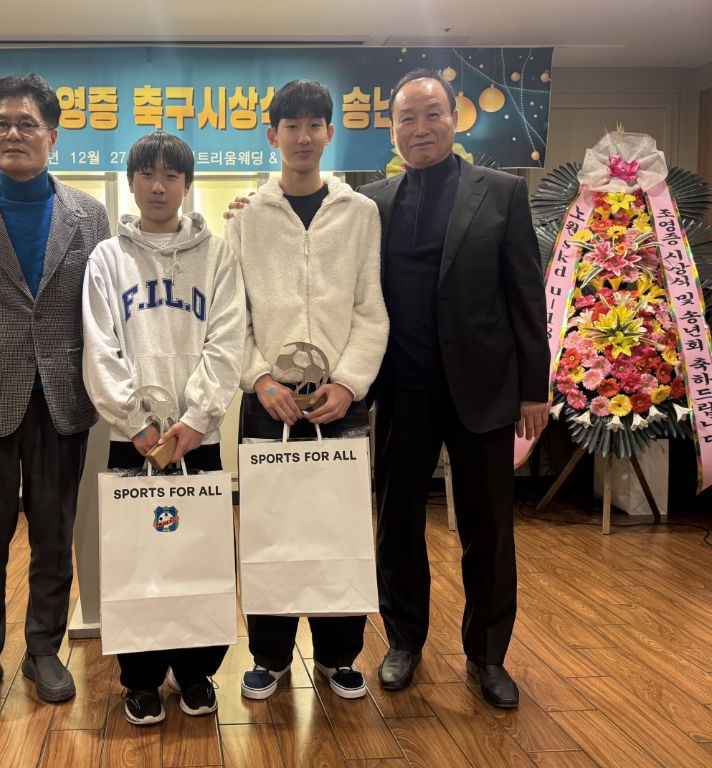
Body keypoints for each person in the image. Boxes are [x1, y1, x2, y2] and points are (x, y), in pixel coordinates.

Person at [356, 69, 548, 709]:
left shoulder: (501, 193)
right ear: (392, 130)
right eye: (406, 118)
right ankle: (403, 641)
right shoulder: (371, 202)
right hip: (402, 389)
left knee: (489, 529)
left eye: (432, 114)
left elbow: (526, 296)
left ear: (454, 119)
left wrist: (534, 388)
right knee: (398, 525)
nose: (420, 128)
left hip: (484, 390)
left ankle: (488, 655)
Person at [0, 73, 111, 716]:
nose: (13, 133)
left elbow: (103, 308)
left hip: (63, 396)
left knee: (55, 533)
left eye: (27, 123)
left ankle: (43, 650)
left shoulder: (88, 214)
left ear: (52, 137)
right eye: (1, 122)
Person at [226, 79, 388, 701]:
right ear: (273, 135)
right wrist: (260, 379)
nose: (302, 136)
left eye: (313, 124)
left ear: (328, 133)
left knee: (337, 525)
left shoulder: (360, 213)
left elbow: (371, 310)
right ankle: (269, 656)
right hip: (268, 401)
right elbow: (232, 316)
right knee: (269, 526)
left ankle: (339, 655)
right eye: (290, 126)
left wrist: (348, 384)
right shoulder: (248, 216)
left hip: (339, 402)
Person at [82, 130, 245, 726]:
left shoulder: (218, 255)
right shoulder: (107, 258)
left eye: (170, 175)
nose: (158, 186)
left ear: (186, 184)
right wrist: (137, 422)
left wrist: (196, 418)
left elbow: (227, 341)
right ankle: (142, 678)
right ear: (130, 183)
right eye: (147, 174)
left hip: (198, 440)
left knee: (199, 555)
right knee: (138, 559)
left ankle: (197, 671)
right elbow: (100, 349)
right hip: (134, 442)